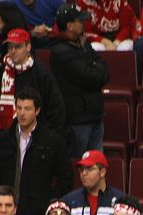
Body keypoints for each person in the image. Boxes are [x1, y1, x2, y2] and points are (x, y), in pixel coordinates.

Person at [0, 86, 73, 215]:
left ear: (37, 110)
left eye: (27, 109)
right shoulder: (3, 139)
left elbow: (66, 178)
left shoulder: (52, 141)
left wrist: (49, 201)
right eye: (19, 108)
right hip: (6, 213)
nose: (22, 113)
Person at [50, 2, 109, 158]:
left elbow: (104, 70)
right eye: (80, 21)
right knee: (78, 165)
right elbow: (90, 76)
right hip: (77, 121)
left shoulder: (83, 44)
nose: (84, 23)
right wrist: (96, 67)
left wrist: (96, 67)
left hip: (95, 115)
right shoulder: (60, 52)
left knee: (96, 165)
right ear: (70, 26)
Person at [0, 27, 65, 139]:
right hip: (4, 137)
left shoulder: (42, 74)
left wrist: (45, 137)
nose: (13, 51)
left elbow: (56, 108)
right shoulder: (0, 73)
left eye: (18, 46)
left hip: (37, 138)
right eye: (10, 47)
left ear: (28, 47)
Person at [62, 150, 124, 215]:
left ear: (102, 172)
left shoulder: (121, 201)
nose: (83, 173)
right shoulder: (68, 201)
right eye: (81, 169)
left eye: (89, 169)